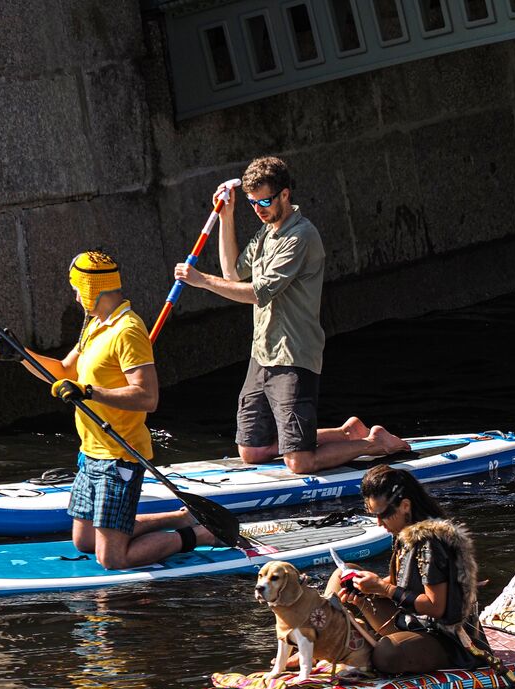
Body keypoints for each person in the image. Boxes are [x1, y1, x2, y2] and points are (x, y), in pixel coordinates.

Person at [172, 155, 409, 474]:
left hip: (294, 356)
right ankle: (344, 433)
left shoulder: (301, 237)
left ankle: (375, 443)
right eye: (252, 203)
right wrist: (228, 218)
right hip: (262, 354)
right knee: (252, 451)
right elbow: (231, 275)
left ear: (285, 194)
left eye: (265, 201)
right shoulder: (265, 234)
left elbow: (258, 292)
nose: (258, 209)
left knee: (299, 462)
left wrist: (201, 280)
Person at [0, 251, 218, 569]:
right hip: (90, 452)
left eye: (78, 289)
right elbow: (65, 370)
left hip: (120, 456)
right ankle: (180, 517)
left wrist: (90, 391)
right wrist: (21, 354)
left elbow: (147, 397)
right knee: (84, 541)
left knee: (112, 558)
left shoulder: (128, 331)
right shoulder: (96, 326)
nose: (76, 297)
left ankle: (197, 536)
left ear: (93, 288)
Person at [328, 465, 491, 675]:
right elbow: (404, 581)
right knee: (343, 574)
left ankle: (353, 645)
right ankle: (319, 638)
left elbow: (436, 607)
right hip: (411, 621)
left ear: (405, 505)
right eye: (373, 514)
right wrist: (364, 587)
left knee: (387, 654)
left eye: (383, 514)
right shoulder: (404, 530)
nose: (378, 523)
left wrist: (382, 589)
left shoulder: (431, 542)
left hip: (449, 640)